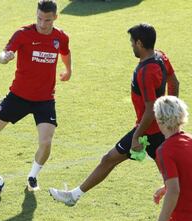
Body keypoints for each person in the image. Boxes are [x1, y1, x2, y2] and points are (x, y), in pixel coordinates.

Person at [48, 23, 183, 206]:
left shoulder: (144, 72)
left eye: (132, 43)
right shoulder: (161, 57)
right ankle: (74, 195)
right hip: (159, 128)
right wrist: (170, 114)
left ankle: (73, 196)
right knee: (175, 174)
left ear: (140, 43)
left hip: (148, 131)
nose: (131, 46)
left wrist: (137, 135)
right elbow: (174, 82)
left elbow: (150, 107)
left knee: (173, 176)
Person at [0, 0, 72, 191]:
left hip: (45, 99)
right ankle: (0, 104)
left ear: (55, 17)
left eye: (47, 20)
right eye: (39, 18)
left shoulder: (61, 37)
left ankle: (32, 176)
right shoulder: (23, 34)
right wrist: (4, 58)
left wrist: (68, 69)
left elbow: (65, 52)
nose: (42, 24)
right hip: (19, 96)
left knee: (46, 142)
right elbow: (4, 53)